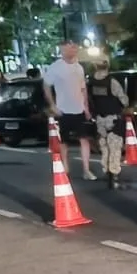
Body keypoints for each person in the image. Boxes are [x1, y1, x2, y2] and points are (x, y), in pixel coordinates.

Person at [45, 41, 94, 179]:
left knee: (84, 139)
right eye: (68, 49)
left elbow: (83, 89)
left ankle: (86, 169)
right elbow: (46, 86)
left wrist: (86, 107)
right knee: (65, 141)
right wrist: (53, 105)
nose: (72, 51)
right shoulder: (55, 67)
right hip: (63, 109)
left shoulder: (79, 67)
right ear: (62, 51)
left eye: (73, 48)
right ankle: (65, 166)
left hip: (79, 109)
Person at [86, 55, 127, 188]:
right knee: (115, 148)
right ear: (107, 65)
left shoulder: (90, 82)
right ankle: (114, 176)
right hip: (112, 119)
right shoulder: (112, 82)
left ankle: (107, 172)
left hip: (99, 120)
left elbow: (88, 99)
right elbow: (124, 100)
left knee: (104, 148)